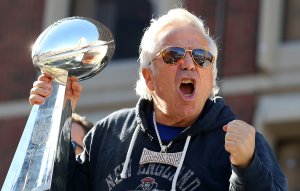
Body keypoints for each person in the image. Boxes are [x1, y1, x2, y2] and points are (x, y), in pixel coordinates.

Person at [29, 8, 287, 191]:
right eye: (173, 55)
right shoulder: (110, 133)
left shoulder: (238, 142)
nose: (189, 64)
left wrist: (247, 166)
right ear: (148, 76)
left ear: (211, 74)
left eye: (201, 57)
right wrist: (52, 118)